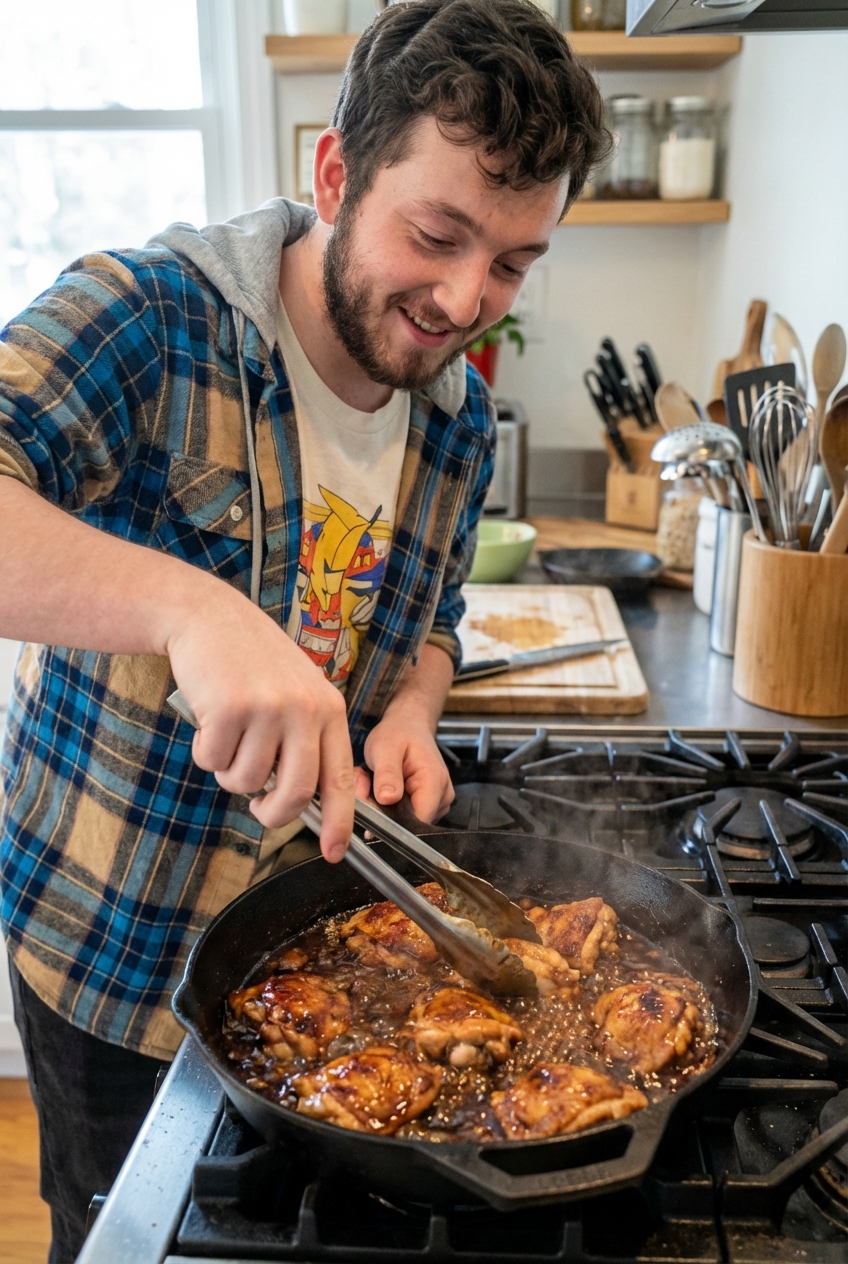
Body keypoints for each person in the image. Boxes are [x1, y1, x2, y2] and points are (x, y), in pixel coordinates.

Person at [0, 0, 607, 1257]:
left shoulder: (451, 418)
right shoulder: (151, 316)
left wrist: (415, 705)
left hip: (324, 960)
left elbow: (431, 612)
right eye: (436, 235)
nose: (461, 301)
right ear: (335, 171)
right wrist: (187, 605)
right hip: (117, 956)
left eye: (510, 264)